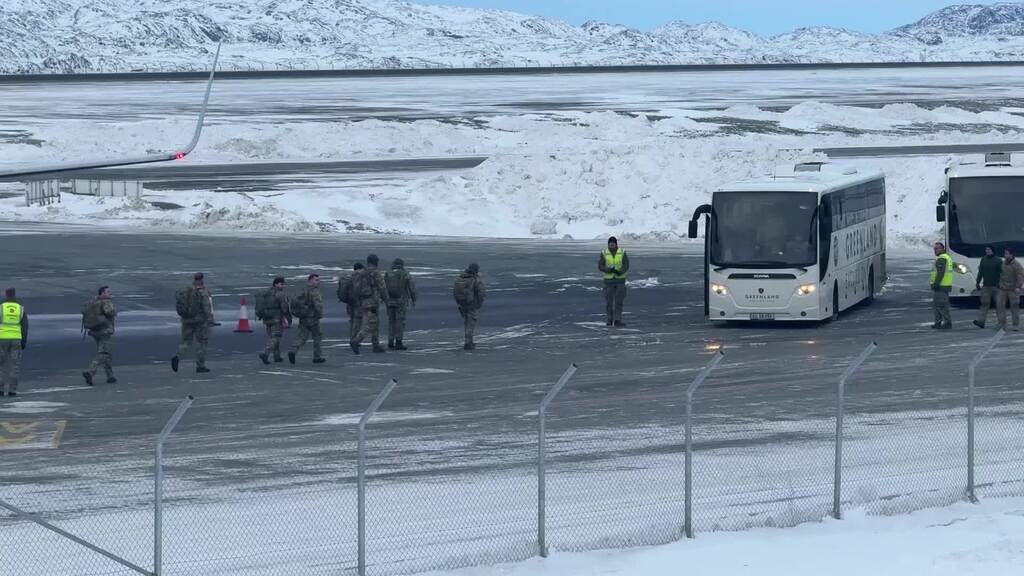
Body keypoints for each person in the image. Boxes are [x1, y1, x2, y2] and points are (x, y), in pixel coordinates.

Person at [172, 273, 213, 374]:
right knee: (202, 343)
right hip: (200, 322)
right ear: (202, 279)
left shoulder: (187, 290)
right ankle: (200, 366)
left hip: (186, 320)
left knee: (185, 342)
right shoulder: (203, 292)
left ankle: (178, 357)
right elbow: (207, 307)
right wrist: (210, 319)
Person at [350, 254, 389, 355]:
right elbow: (382, 288)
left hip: (362, 301)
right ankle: (356, 340)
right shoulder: (375, 273)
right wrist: (386, 300)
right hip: (372, 302)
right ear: (376, 262)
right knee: (370, 324)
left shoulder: (361, 273)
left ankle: (375, 344)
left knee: (375, 323)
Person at [82, 286, 117, 386]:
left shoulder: (93, 301)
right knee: (103, 353)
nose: (110, 293)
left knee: (107, 353)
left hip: (95, 331)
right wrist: (114, 311)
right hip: (105, 331)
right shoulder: (106, 302)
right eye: (108, 292)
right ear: (102, 293)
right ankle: (90, 372)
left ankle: (110, 376)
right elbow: (110, 313)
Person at [289, 274, 325, 364]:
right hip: (313, 317)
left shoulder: (302, 290)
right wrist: (319, 315)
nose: (318, 282)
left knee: (302, 336)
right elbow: (318, 305)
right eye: (316, 280)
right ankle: (317, 356)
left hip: (303, 316)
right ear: (310, 281)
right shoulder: (314, 291)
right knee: (317, 336)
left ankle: (293, 350)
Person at [258, 276, 292, 365]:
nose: (283, 286)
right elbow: (284, 308)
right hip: (276, 319)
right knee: (276, 338)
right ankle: (265, 353)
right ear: (276, 284)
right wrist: (288, 318)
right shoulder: (280, 294)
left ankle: (277, 357)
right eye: (281, 284)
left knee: (273, 337)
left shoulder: (266, 293)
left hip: (266, 318)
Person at [385, 258, 417, 351]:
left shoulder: (388, 273)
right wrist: (413, 299)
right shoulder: (405, 273)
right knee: (400, 321)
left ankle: (390, 341)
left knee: (391, 321)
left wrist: (383, 299)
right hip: (401, 301)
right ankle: (398, 342)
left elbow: (383, 287)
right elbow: (412, 288)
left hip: (390, 301)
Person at [0, 288, 27, 397]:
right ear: (14, 295)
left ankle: (0, 389)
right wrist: (23, 341)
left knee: (1, 364)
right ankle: (12, 390)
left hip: (2, 339)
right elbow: (25, 327)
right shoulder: (20, 309)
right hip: (16, 339)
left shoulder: (1, 308)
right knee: (14, 365)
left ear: (6, 295)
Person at [598, 236, 630, 327]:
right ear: (608, 244)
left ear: (616, 244)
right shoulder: (604, 253)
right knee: (609, 302)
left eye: (613, 243)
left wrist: (620, 271)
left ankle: (617, 320)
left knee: (619, 302)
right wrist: (609, 270)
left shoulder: (622, 252)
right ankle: (609, 320)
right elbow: (600, 266)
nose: (611, 245)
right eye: (610, 243)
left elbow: (626, 264)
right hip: (608, 281)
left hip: (620, 280)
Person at [453, 263, 485, 350]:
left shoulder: (461, 278)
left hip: (462, 304)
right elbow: (481, 293)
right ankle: (468, 343)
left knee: (466, 323)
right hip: (472, 304)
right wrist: (479, 304)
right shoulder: (475, 280)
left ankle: (468, 341)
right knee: (470, 324)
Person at [973, 246, 1002, 329]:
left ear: (993, 251)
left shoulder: (998, 260)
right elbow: (980, 272)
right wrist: (977, 282)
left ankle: (1001, 322)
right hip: (986, 286)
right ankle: (981, 322)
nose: (987, 251)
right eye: (986, 250)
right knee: (984, 304)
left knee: (999, 305)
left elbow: (1003, 273)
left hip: (997, 287)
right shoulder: (983, 259)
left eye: (989, 250)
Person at [997, 248, 1024, 331]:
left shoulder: (1016, 265)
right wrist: (1000, 284)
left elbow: (1020, 276)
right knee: (1000, 306)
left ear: (1011, 255)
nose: (1005, 255)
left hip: (1013, 289)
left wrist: (1018, 287)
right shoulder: (1003, 263)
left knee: (1014, 307)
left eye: (1007, 254)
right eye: (1005, 254)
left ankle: (1015, 324)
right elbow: (1001, 274)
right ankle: (1002, 324)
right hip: (1003, 288)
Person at [338, 262, 365, 342]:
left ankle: (352, 338)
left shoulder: (349, 277)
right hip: (357, 303)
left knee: (353, 321)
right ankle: (354, 339)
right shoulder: (359, 278)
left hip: (349, 303)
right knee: (358, 322)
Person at [930, 242, 954, 330]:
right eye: (934, 249)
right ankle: (938, 323)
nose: (935, 250)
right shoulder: (946, 257)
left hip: (941, 286)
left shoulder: (942, 259)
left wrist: (936, 284)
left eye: (937, 248)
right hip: (944, 286)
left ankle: (947, 323)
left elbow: (940, 273)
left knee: (942, 305)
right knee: (937, 305)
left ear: (942, 249)